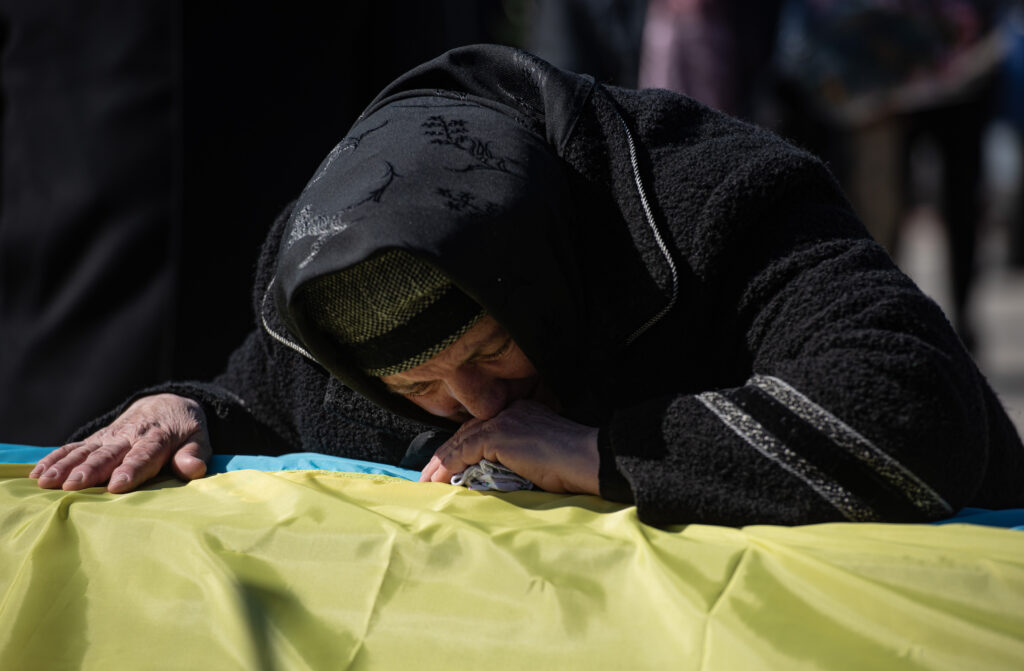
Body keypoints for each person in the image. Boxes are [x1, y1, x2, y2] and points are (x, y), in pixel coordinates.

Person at [29, 45, 1024, 526]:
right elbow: (260, 397)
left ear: (534, 275)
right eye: (423, 388)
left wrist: (598, 449)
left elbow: (914, 407)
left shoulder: (713, 197)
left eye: (489, 349)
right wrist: (180, 407)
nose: (477, 405)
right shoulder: (329, 308)